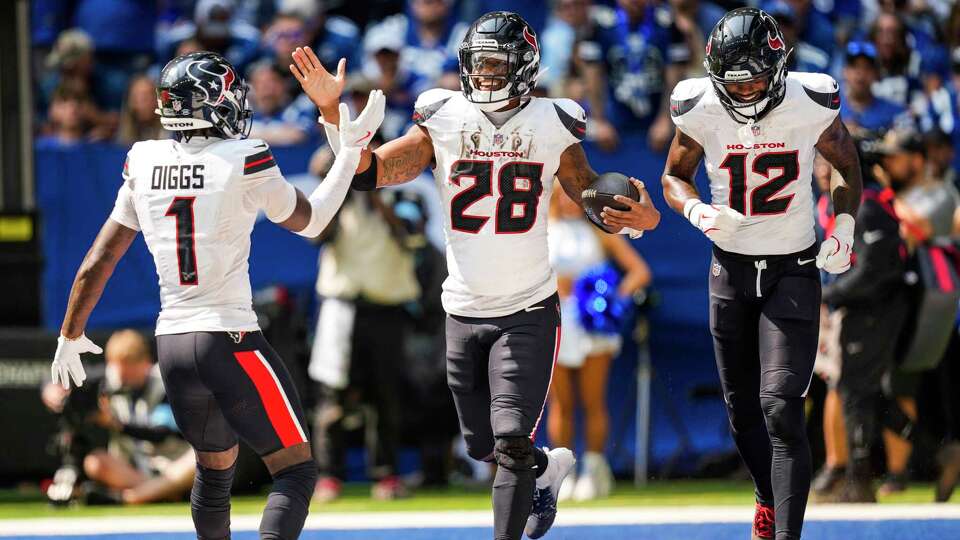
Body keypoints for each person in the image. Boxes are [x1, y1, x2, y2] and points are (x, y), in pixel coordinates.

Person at [291, 10, 660, 540]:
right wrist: (332, 113)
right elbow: (373, 171)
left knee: (510, 440)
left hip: (529, 306)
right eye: (478, 64)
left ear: (525, 67)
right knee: (482, 445)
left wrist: (640, 223)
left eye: (496, 64)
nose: (485, 75)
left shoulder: (554, 120)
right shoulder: (441, 114)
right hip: (463, 306)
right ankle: (546, 469)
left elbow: (588, 194)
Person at [49, 51, 385, 540]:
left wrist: (69, 333)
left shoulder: (143, 160)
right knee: (295, 470)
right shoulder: (244, 155)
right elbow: (312, 220)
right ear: (211, 104)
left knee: (214, 470)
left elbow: (97, 262)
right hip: (229, 337)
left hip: (172, 344)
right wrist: (349, 152)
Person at [661, 8, 862, 540]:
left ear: (777, 66)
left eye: (753, 78)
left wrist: (843, 222)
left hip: (792, 268)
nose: (745, 91)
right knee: (742, 412)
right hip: (728, 268)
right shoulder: (698, 103)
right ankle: (765, 498)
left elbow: (846, 162)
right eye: (733, 81)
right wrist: (697, 211)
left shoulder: (809, 96)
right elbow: (674, 177)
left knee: (780, 404)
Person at [307, 135, 420, 502]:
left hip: (386, 306)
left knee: (385, 396)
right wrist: (339, 185)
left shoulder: (406, 194)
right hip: (341, 304)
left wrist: (376, 193)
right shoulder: (336, 196)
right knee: (332, 395)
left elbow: (413, 236)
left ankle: (386, 475)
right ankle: (329, 475)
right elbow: (315, 234)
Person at [546, 187, 651, 501]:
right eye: (562, 195)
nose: (568, 202)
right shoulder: (541, 231)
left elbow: (639, 272)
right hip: (556, 323)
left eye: (574, 196)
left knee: (593, 399)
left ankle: (593, 469)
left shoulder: (600, 231)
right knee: (561, 403)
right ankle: (562, 473)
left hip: (592, 324)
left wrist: (608, 298)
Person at [44, 329, 197, 505]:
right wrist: (50, 389)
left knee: (198, 460)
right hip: (133, 470)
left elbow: (159, 433)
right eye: (119, 369)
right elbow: (57, 376)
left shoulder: (164, 383)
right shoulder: (110, 378)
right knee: (95, 463)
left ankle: (129, 497)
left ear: (145, 363)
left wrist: (115, 424)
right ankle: (163, 492)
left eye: (130, 369)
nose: (123, 377)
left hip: (172, 464)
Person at [578, 0, 691, 152]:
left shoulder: (667, 23)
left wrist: (665, 119)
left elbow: (676, 76)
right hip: (614, 117)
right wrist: (599, 120)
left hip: (656, 115)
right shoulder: (600, 25)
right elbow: (591, 76)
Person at [116, 75, 166, 145]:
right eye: (139, 96)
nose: (145, 101)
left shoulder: (169, 132)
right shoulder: (120, 131)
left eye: (149, 94)